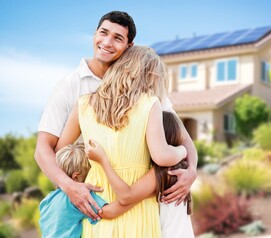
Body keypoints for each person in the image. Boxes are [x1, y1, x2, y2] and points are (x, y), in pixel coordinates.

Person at [34, 10, 197, 220]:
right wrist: (71, 187)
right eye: (103, 33)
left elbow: (183, 137)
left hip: (141, 196)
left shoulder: (145, 87)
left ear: (129, 47)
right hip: (97, 196)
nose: (107, 42)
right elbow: (44, 149)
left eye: (117, 38)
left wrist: (191, 171)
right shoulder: (71, 87)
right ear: (94, 35)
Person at [55, 45, 187, 238]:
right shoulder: (149, 103)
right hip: (137, 199)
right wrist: (182, 151)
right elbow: (161, 155)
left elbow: (61, 151)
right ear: (150, 76)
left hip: (96, 199)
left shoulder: (83, 103)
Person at [86, 111, 195, 238]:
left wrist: (103, 160)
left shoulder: (164, 173)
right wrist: (183, 151)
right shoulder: (181, 170)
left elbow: (123, 199)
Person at [39, 143, 144, 238]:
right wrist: (144, 194)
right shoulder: (77, 198)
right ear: (76, 177)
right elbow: (110, 212)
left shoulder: (48, 199)